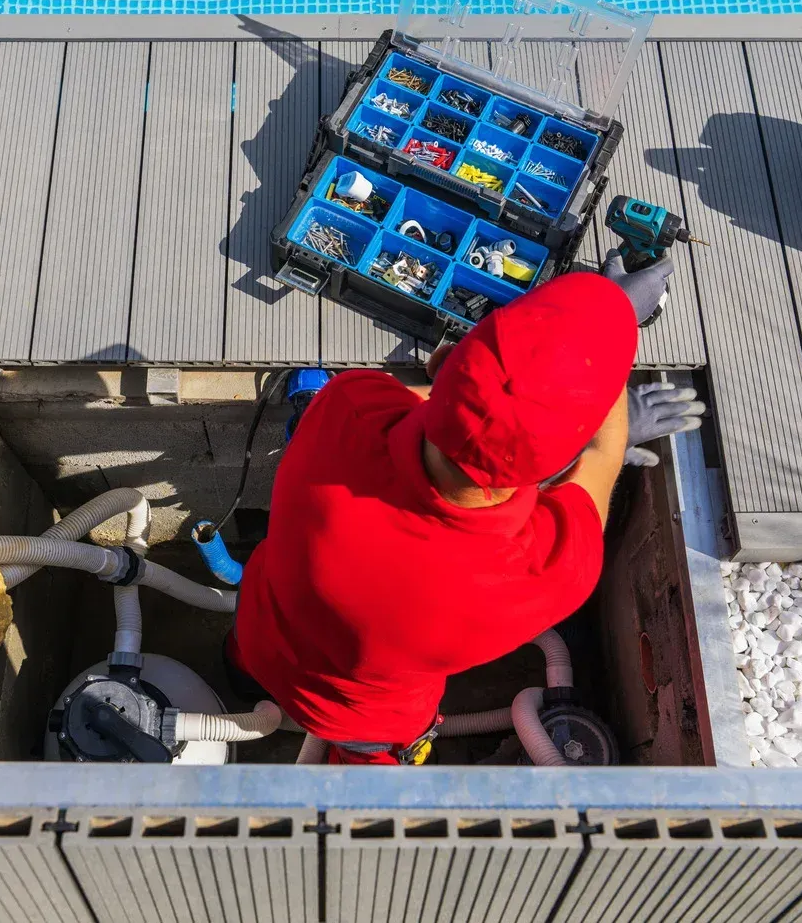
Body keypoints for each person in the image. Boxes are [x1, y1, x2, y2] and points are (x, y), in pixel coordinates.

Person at [227, 254, 704, 764]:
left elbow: (468, 413)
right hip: (364, 722)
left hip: (260, 629)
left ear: (440, 362)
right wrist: (607, 339)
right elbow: (600, 462)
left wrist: (598, 315)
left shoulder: (348, 406)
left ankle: (233, 677)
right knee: (372, 769)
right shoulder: (543, 573)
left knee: (245, 659)